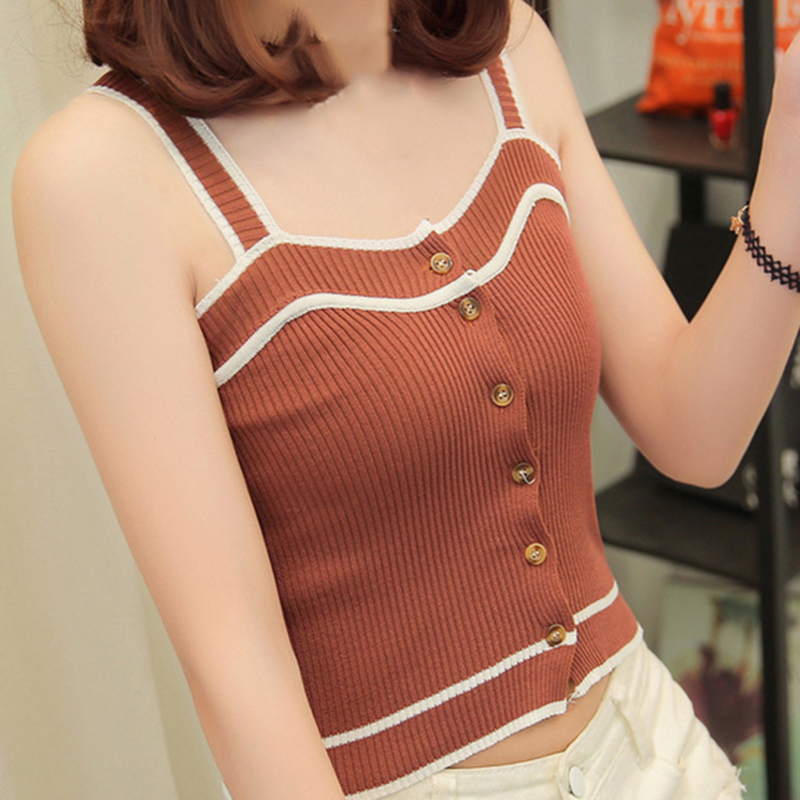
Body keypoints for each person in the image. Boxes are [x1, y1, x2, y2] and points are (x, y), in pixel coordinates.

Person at [11, 0, 800, 797]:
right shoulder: (102, 173)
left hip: (658, 751)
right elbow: (237, 671)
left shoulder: (509, 50)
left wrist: (793, 157)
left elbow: (695, 435)